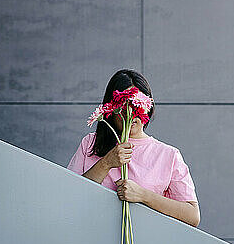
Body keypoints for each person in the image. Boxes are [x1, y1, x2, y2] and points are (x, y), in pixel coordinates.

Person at [66, 69, 201, 228]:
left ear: (147, 106)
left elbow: (192, 216)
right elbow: (70, 197)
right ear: (111, 107)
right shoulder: (90, 143)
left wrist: (143, 195)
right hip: (90, 237)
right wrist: (105, 164)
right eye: (123, 105)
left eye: (136, 104)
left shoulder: (168, 155)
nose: (130, 112)